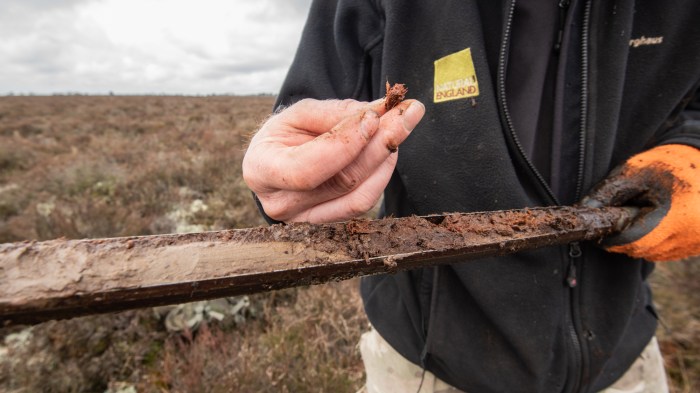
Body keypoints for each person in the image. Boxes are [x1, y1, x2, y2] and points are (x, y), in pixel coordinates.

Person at [242, 1, 700, 392]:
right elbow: (303, 123)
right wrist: (287, 181)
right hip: (431, 366)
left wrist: (692, 150)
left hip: (624, 360)